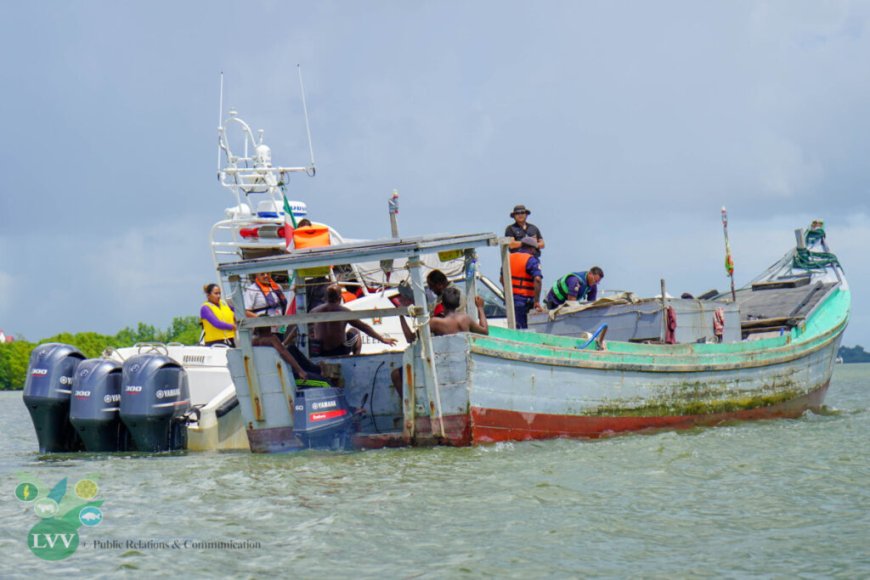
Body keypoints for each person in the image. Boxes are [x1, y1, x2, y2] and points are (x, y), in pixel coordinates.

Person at [393, 287, 488, 396]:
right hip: (461, 364)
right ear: (457, 304)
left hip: (440, 365)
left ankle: (409, 408)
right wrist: (480, 308)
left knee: (395, 375)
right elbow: (484, 330)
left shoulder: (435, 322)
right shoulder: (466, 319)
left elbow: (410, 338)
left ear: (442, 303)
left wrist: (401, 315)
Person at [310, 284, 398, 356]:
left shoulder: (314, 311)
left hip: (320, 350)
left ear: (325, 298)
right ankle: (356, 357)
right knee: (355, 331)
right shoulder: (343, 311)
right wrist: (382, 339)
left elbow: (303, 328)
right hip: (339, 350)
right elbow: (364, 327)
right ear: (340, 298)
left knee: (312, 334)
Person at [509, 236, 543, 329]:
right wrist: (536, 301)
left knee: (513, 327)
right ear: (532, 249)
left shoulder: (509, 257)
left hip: (511, 299)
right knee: (525, 329)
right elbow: (537, 279)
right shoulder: (531, 260)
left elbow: (501, 279)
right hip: (525, 301)